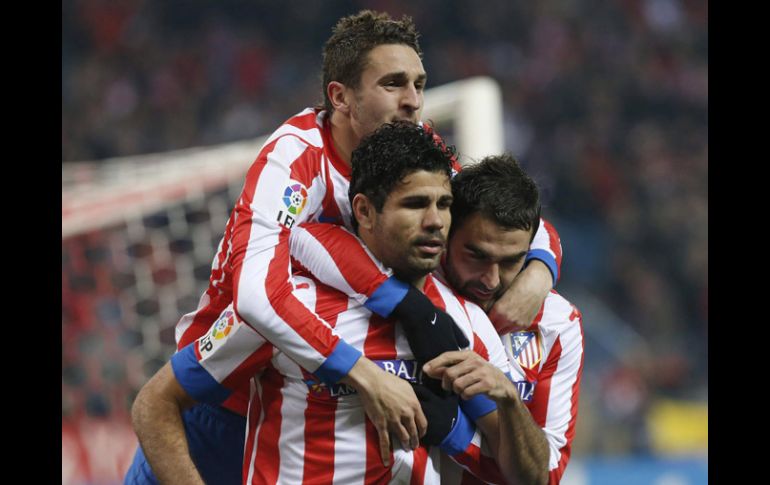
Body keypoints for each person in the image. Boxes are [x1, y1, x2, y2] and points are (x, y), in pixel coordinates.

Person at [125, 9, 562, 485]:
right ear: (341, 97)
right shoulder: (296, 158)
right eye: (393, 84)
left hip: (325, 397)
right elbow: (254, 296)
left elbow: (503, 215)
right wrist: (363, 372)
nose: (413, 101)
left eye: (419, 84)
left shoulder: (415, 156)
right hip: (225, 395)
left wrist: (539, 272)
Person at [132, 121, 515, 484]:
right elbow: (154, 404)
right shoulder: (286, 306)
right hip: (219, 426)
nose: (434, 220)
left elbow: (528, 474)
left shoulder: (467, 324)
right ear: (364, 211)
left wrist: (477, 419)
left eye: (444, 204)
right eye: (415, 204)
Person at [294, 154, 583, 484]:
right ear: (446, 233)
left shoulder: (557, 324)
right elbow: (304, 237)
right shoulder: (416, 275)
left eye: (510, 262)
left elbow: (544, 476)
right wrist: (410, 306)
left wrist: (457, 432)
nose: (490, 280)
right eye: (475, 255)